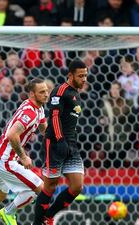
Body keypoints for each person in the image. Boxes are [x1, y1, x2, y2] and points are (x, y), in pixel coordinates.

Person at [0, 78, 49, 225]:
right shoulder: (30, 113)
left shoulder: (39, 108)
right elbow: (12, 134)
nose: (46, 94)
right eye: (42, 92)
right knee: (40, 189)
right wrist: (23, 156)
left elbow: (44, 129)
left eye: (46, 91)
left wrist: (60, 133)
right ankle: (8, 212)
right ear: (32, 94)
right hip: (6, 160)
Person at [33, 60, 88, 225]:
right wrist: (60, 139)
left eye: (85, 75)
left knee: (77, 186)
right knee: (50, 186)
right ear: (70, 75)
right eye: (80, 75)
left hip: (71, 145)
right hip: (56, 144)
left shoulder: (75, 93)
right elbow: (55, 116)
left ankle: (48, 216)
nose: (84, 79)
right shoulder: (60, 90)